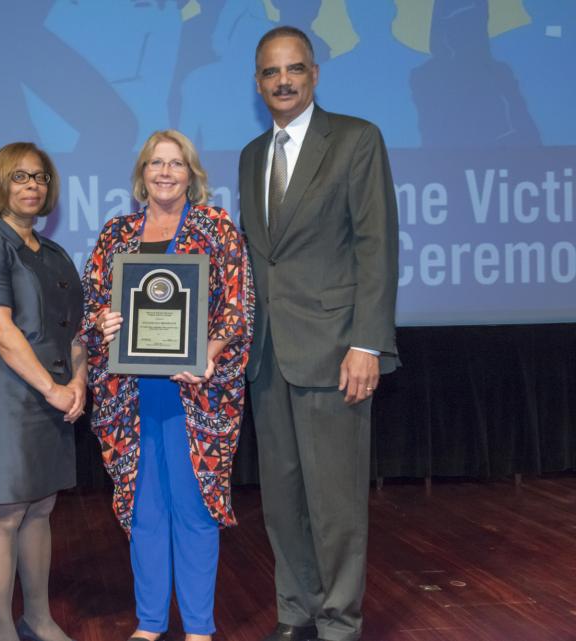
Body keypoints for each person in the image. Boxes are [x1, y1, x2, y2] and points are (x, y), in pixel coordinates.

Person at [238, 26, 400, 641]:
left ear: (314, 74)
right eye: (270, 72)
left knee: (334, 503)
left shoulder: (356, 140)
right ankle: (296, 611)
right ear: (257, 82)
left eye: (294, 69)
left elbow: (376, 248)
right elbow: (260, 259)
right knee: (281, 499)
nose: (282, 81)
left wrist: (368, 344)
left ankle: (338, 621)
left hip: (336, 352)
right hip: (267, 355)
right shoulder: (254, 155)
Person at [81, 130, 253, 641]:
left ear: (191, 174)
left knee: (195, 504)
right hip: (131, 395)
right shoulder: (116, 234)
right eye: (156, 163)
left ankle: (199, 626)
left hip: (196, 393)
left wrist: (209, 354)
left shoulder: (216, 227)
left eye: (176, 164)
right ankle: (150, 623)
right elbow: (92, 303)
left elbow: (238, 308)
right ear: (141, 173)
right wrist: (105, 321)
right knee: (143, 507)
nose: (165, 172)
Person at [0, 142, 86, 641]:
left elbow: (76, 331)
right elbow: (0, 328)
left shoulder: (53, 253)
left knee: (43, 507)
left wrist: (77, 382)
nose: (32, 186)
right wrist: (52, 389)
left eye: (40, 178)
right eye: (20, 177)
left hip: (53, 389)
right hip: (4, 393)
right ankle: (3, 629)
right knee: (7, 510)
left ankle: (39, 617)